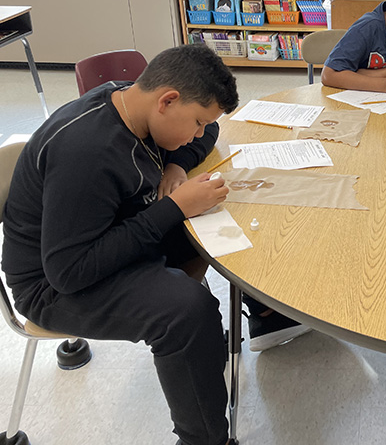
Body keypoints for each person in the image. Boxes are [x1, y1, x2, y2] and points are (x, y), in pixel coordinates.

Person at [2, 45, 239, 445]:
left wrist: (177, 163)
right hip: (54, 284)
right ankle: (204, 438)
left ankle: (265, 320)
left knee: (227, 233)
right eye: (196, 122)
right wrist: (173, 209)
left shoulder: (133, 100)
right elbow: (70, 272)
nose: (200, 133)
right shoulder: (87, 153)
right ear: (167, 100)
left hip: (107, 234)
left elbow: (212, 131)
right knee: (186, 311)